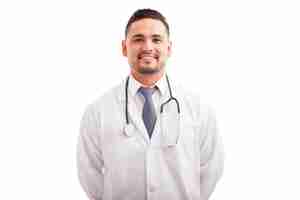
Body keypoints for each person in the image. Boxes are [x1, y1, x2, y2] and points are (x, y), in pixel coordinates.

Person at [77, 8, 224, 200]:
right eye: (138, 39)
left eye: (156, 39)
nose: (147, 47)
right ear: (124, 47)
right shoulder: (98, 111)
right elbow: (89, 173)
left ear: (169, 48)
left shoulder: (199, 109)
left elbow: (211, 168)